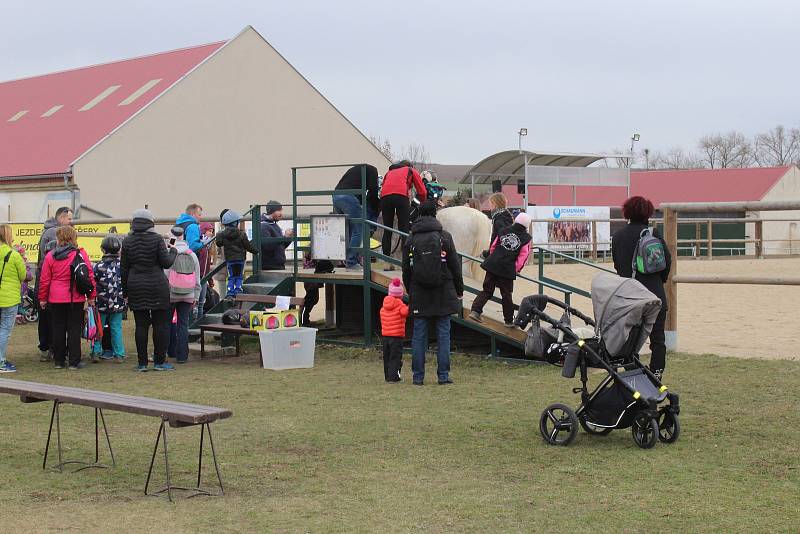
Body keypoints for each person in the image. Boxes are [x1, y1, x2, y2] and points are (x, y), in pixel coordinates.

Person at [402, 201, 464, 386]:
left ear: (419, 214)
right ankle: (443, 376)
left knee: (419, 335)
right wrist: (459, 290)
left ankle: (418, 377)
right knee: (443, 335)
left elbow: (406, 269)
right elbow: (455, 266)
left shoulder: (410, 239)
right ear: (435, 214)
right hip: (444, 291)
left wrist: (410, 288)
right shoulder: (445, 237)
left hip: (419, 292)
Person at [611, 196, 672, 379]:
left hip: (630, 296)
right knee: (658, 340)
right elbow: (666, 262)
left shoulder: (618, 237)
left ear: (627, 212)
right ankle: (656, 374)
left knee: (630, 339)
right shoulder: (653, 234)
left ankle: (634, 374)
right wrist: (658, 281)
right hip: (654, 294)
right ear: (648, 212)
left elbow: (618, 265)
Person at [121, 209, 178, 372]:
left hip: (135, 285)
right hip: (157, 285)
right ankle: (160, 362)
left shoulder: (127, 241)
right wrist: (173, 250)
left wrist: (125, 292)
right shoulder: (157, 239)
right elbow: (166, 262)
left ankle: (142, 363)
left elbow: (123, 269)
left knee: (141, 325)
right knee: (161, 325)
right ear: (150, 222)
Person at [38, 226, 96, 370]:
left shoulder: (51, 256)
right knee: (74, 329)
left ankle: (59, 361)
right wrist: (91, 296)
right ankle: (74, 361)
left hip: (55, 297)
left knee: (58, 329)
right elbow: (88, 276)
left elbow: (45, 280)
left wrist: (42, 298)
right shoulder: (79, 253)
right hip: (74, 297)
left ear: (59, 239)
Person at [469, 212, 532, 327]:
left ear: (516, 221)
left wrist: (494, 259)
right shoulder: (526, 238)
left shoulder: (504, 230)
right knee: (506, 295)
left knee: (487, 290)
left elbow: (493, 246)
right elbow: (523, 256)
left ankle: (475, 311)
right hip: (507, 268)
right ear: (527, 225)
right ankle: (508, 321)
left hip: (493, 264)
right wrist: (516, 269)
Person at [35, 206, 73, 362]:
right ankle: (53, 348)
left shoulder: (47, 231)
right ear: (61, 218)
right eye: (69, 219)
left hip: (45, 281)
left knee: (46, 318)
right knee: (52, 319)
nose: (71, 222)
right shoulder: (54, 233)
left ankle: (47, 348)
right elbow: (54, 261)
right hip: (51, 283)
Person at [379, 160, 427, 270]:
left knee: (387, 230)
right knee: (404, 230)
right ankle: (405, 262)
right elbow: (422, 192)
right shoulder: (410, 170)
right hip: (401, 196)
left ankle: (386, 263)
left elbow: (384, 187)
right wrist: (421, 203)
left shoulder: (389, 172)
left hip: (385, 197)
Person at [333, 164, 380, 270]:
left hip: (336, 196)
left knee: (349, 230)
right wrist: (375, 208)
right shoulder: (373, 170)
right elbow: (373, 191)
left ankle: (348, 259)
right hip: (349, 196)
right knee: (359, 230)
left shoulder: (358, 170)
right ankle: (351, 262)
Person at [166, 226, 201, 364]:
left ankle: (170, 350)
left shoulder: (169, 253)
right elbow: (197, 278)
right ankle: (182, 356)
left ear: (172, 237)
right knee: (183, 324)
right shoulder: (192, 254)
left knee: (167, 323)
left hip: (171, 294)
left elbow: (165, 274)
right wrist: (196, 297)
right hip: (188, 294)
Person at [92, 236, 126, 362]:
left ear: (102, 250)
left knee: (98, 328)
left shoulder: (98, 266)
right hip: (118, 302)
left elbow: (93, 283)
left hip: (101, 302)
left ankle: (96, 351)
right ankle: (119, 353)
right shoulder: (123, 265)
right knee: (116, 328)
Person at [0, 225, 28, 373]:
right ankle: (0, 361)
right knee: (4, 329)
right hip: (9, 298)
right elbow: (23, 275)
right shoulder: (14, 255)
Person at [217, 210, 258, 298]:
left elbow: (219, 243)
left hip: (230, 260)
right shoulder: (242, 234)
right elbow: (248, 246)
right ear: (235, 223)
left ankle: (230, 291)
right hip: (240, 259)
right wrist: (256, 252)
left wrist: (219, 235)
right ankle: (238, 289)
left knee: (231, 275)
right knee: (239, 275)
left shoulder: (222, 234)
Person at [380, 278, 408, 383]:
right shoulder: (400, 304)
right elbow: (405, 312)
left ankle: (387, 376)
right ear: (400, 294)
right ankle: (394, 377)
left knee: (387, 357)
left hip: (385, 335)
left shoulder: (384, 306)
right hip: (396, 336)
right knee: (395, 358)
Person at [260, 201, 294, 270]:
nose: (281, 214)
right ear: (272, 211)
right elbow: (267, 246)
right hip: (270, 266)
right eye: (278, 210)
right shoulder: (263, 226)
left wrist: (288, 237)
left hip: (277, 265)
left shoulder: (273, 225)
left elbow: (281, 246)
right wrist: (284, 237)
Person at [301, 254, 334, 326]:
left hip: (311, 279)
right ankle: (304, 320)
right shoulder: (314, 255)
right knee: (310, 300)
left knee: (313, 299)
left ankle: (305, 319)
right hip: (310, 279)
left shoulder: (316, 256)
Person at [195, 222, 216, 320]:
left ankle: (199, 324)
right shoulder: (199, 246)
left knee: (201, 303)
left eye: (212, 231)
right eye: (209, 231)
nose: (211, 233)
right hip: (197, 278)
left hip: (204, 278)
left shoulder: (208, 247)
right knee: (196, 303)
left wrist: (210, 279)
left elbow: (207, 266)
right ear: (203, 231)